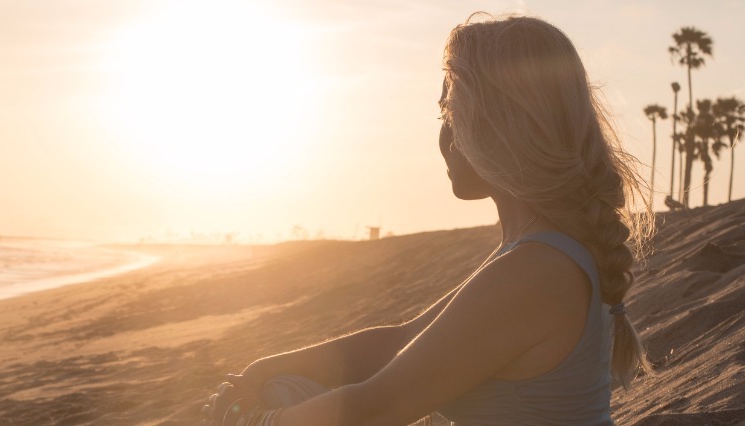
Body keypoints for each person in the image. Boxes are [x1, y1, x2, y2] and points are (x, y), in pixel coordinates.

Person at [201, 14, 654, 425]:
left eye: (449, 111)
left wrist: (252, 421)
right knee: (284, 385)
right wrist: (262, 370)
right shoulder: (535, 253)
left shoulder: (535, 270)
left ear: (494, 125)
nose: (443, 134)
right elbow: (396, 342)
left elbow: (377, 407)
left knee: (286, 398)